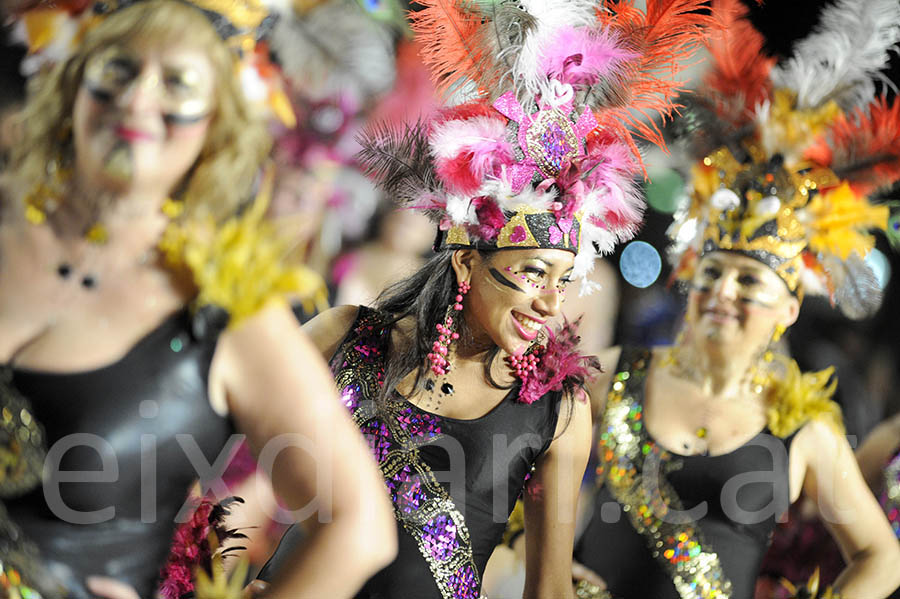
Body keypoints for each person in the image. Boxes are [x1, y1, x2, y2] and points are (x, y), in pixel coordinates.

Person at [253, 1, 713, 597]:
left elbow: (547, 590)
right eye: (532, 273)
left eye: (563, 280)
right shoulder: (348, 334)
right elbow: (232, 449)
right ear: (469, 261)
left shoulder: (558, 412)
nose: (552, 303)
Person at [0, 1, 395, 597]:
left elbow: (359, 526)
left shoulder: (226, 308)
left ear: (219, 120)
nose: (137, 101)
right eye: (118, 70)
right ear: (73, 78)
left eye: (178, 83)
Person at [573, 0, 900, 597]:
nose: (723, 290)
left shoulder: (804, 431)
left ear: (789, 309)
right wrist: (534, 554)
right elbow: (529, 471)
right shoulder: (617, 373)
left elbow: (881, 556)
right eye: (713, 272)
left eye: (750, 283)